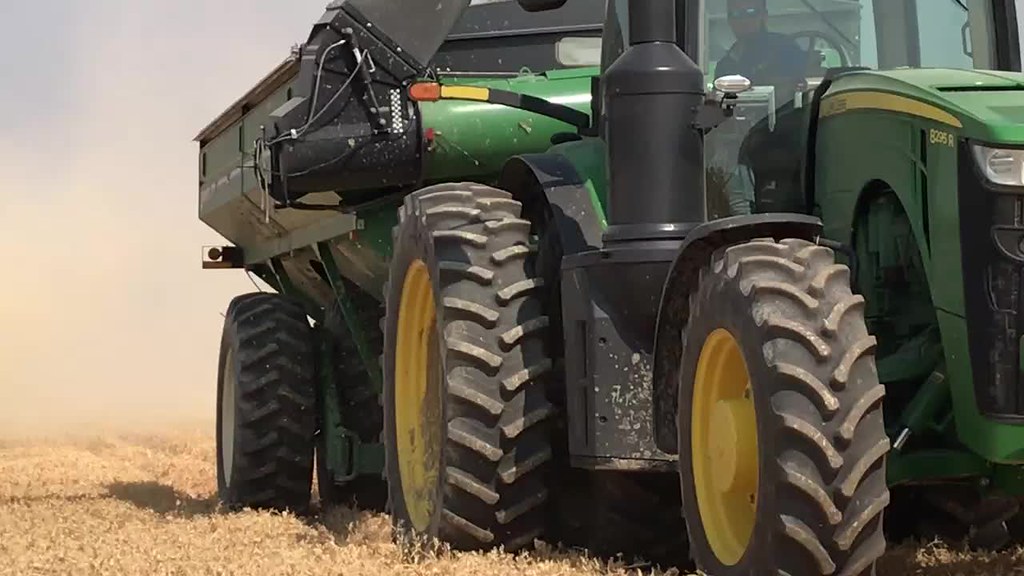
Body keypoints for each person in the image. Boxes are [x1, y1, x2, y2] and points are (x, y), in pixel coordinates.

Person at [714, 0, 807, 87]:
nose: (744, 21)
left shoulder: (787, 49)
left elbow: (797, 89)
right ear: (729, 20)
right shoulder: (724, 67)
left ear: (764, 15)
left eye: (751, 13)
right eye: (736, 14)